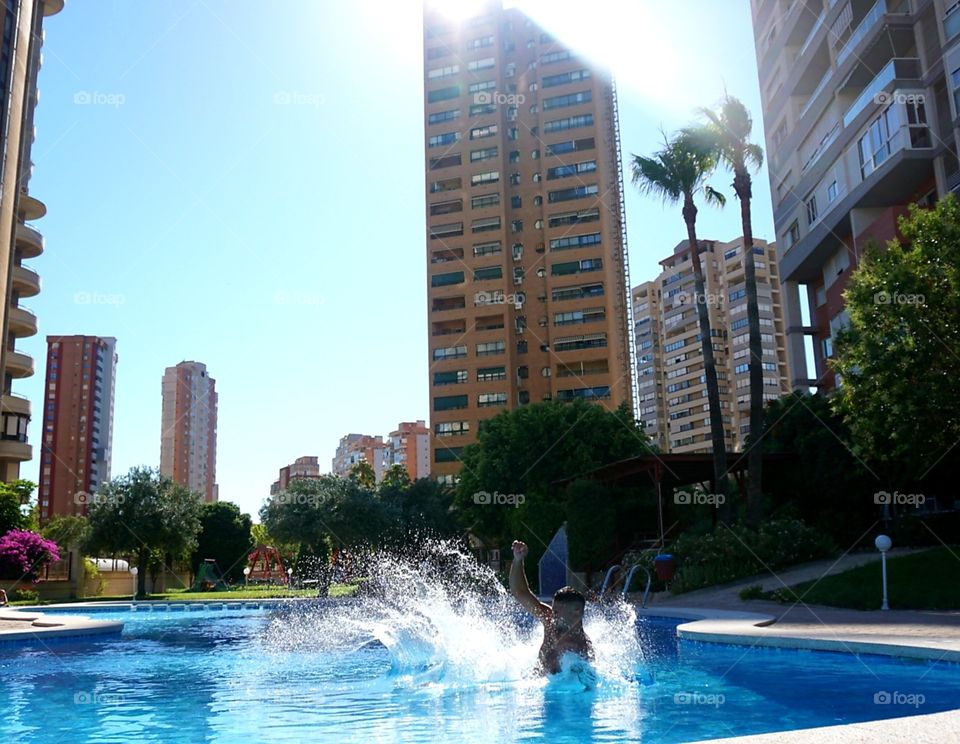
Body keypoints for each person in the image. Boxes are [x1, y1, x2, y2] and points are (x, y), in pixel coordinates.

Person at [509, 540, 594, 675]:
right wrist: (518, 560)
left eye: (556, 612)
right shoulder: (550, 621)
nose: (552, 615)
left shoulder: (582, 648)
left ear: (576, 612)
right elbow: (520, 592)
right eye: (553, 610)